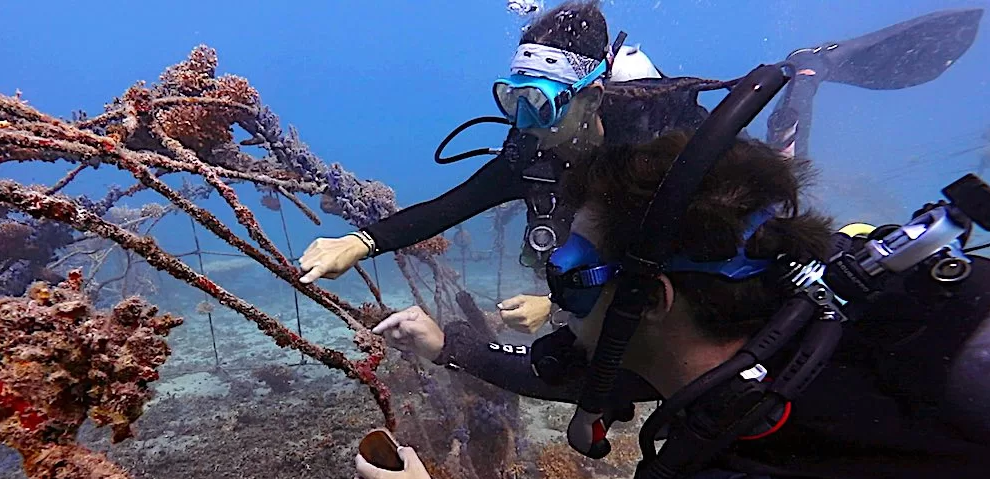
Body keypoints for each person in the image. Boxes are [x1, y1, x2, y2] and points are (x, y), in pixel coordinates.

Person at [351, 130, 990, 479]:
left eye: (569, 279)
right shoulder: (808, 331)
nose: (556, 304)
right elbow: (589, 372)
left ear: (655, 300)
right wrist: (448, 345)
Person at [300, 1, 706, 335]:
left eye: (539, 103)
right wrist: (358, 243)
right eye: (514, 100)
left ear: (591, 98)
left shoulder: (648, 148)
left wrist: (555, 304)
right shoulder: (531, 154)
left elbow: (671, 251)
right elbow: (452, 206)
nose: (524, 121)